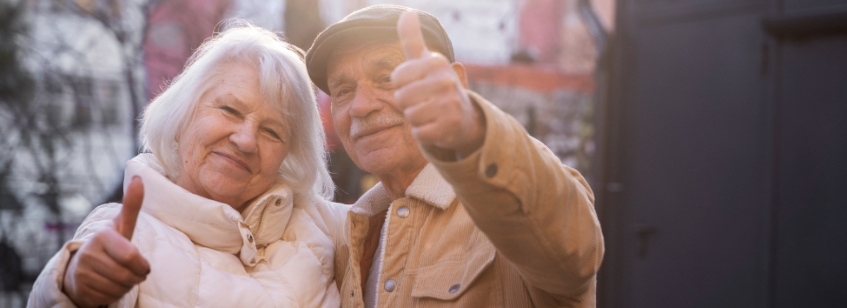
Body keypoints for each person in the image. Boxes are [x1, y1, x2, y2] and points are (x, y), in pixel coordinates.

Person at [28, 23, 348, 307]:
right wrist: (74, 285)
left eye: (272, 131)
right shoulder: (124, 230)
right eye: (230, 111)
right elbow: (71, 284)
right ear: (182, 116)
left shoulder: (323, 227)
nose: (247, 140)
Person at [305, 5, 604, 307]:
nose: (360, 106)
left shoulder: (506, 210)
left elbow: (573, 251)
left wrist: (473, 128)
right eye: (343, 90)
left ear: (457, 83)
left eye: (387, 78)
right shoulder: (347, 237)